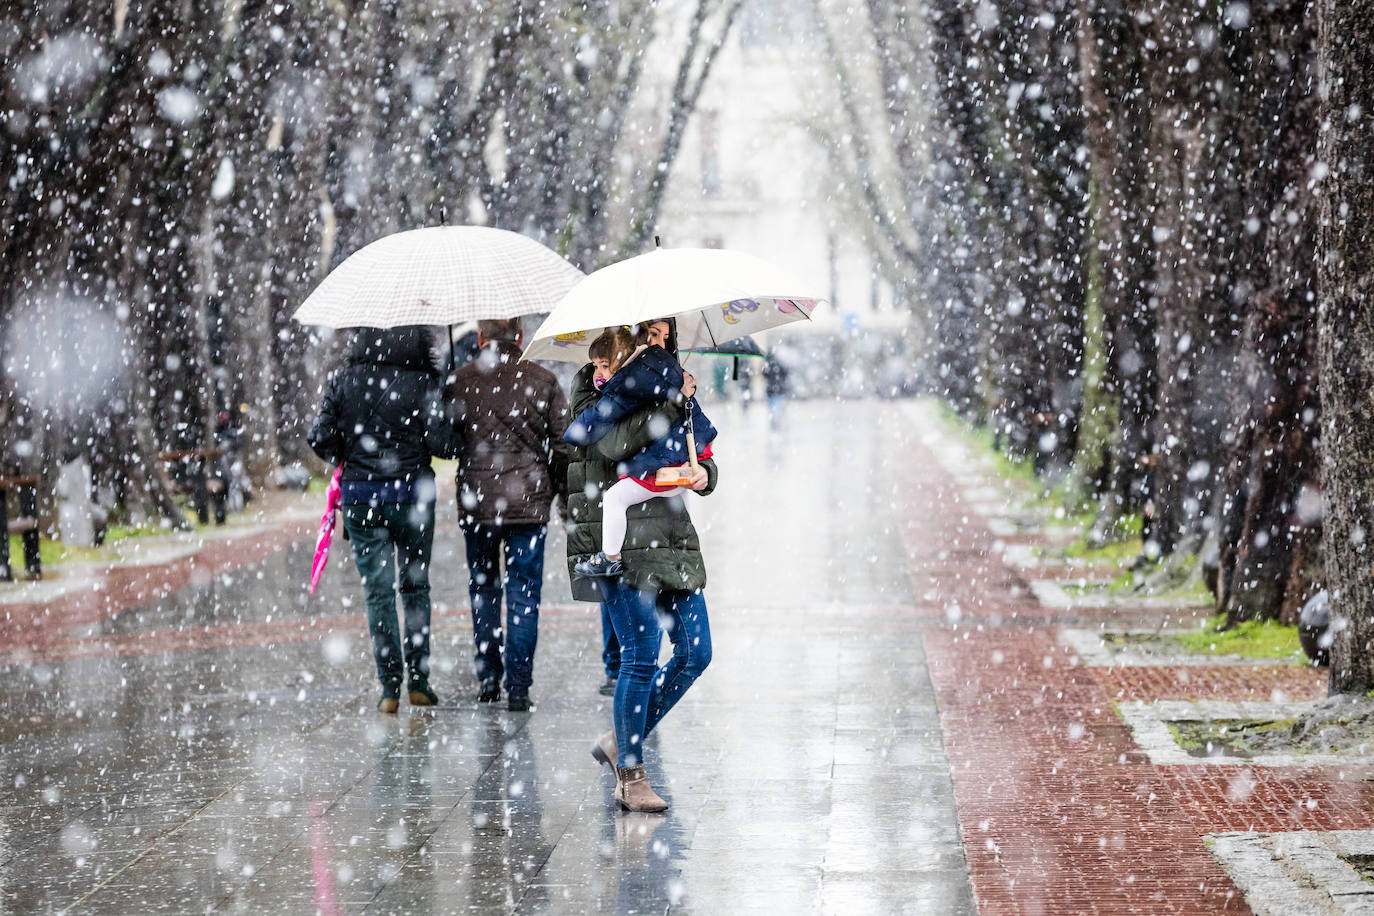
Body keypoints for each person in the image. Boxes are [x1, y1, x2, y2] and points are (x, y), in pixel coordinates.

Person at [569, 318, 718, 813]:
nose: (657, 342)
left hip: (673, 534)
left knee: (697, 652)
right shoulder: (593, 387)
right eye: (648, 333)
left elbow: (696, 442)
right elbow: (611, 445)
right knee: (640, 656)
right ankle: (630, 775)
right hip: (625, 541)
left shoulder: (670, 375)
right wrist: (672, 397)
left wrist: (703, 473)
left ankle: (620, 740)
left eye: (664, 334)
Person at [307, 325, 461, 714]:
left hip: (362, 498)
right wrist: (448, 401)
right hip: (413, 497)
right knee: (415, 588)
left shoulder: (344, 380)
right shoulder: (424, 381)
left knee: (378, 592)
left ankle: (389, 686)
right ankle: (420, 680)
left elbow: (320, 438)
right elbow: (444, 446)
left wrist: (352, 451)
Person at [448, 318, 568, 712]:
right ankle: (519, 685)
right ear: (520, 337)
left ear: (481, 337)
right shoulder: (544, 379)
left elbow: (446, 441)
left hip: (478, 504)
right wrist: (556, 489)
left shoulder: (461, 380)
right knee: (524, 595)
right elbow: (564, 445)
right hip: (529, 505)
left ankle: (487, 677)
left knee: (483, 589)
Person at [565, 327, 717, 578]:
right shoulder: (661, 363)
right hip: (684, 455)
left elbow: (605, 420)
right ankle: (690, 539)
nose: (599, 373)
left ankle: (610, 557)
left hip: (661, 464)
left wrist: (575, 432)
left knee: (615, 499)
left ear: (622, 359)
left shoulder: (628, 382)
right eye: (595, 367)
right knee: (682, 497)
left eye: (604, 365)